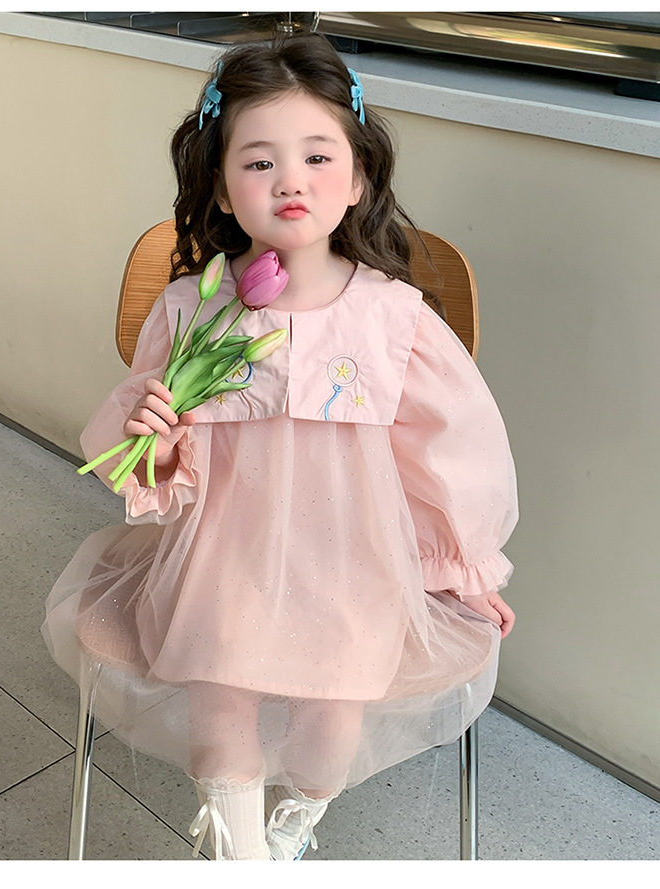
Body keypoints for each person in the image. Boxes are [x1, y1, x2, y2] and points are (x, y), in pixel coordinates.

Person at [42, 32, 517, 861]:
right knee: (219, 695)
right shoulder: (193, 309)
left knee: (335, 710)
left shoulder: (393, 320)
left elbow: (453, 452)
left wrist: (464, 565)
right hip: (225, 556)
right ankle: (240, 856)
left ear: (359, 177)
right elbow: (149, 456)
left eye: (317, 157)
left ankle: (297, 815)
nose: (290, 180)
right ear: (222, 188)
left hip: (353, 565)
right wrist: (156, 441)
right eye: (259, 161)